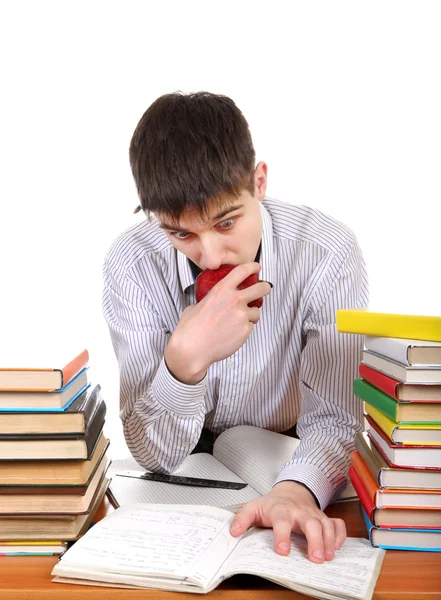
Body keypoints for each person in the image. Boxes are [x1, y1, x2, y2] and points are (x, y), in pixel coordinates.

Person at [102, 91, 368, 564]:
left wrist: (296, 492)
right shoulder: (132, 263)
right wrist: (184, 364)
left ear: (259, 182)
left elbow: (336, 418)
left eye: (226, 223)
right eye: (181, 233)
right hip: (188, 464)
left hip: (290, 449)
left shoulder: (326, 253)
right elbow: (149, 452)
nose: (211, 256)